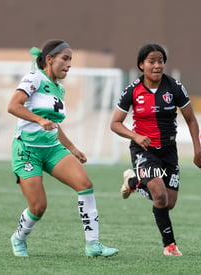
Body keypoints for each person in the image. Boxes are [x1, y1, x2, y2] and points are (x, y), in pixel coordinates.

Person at [7, 39, 118, 258]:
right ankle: (18, 238)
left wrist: (73, 148)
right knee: (38, 207)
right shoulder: (34, 78)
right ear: (49, 59)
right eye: (65, 59)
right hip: (27, 149)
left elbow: (54, 125)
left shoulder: (59, 89)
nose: (69, 64)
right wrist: (39, 120)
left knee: (85, 184)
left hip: (51, 148)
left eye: (71, 60)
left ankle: (93, 245)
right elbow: (13, 106)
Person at [110, 43, 201, 256]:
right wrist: (136, 136)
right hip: (144, 151)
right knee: (160, 196)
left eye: (160, 61)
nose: (157, 65)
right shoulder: (132, 90)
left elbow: (191, 120)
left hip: (168, 151)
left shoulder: (174, 87)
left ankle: (133, 182)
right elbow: (115, 124)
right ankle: (170, 245)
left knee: (168, 203)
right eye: (151, 61)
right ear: (141, 65)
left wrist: (197, 151)